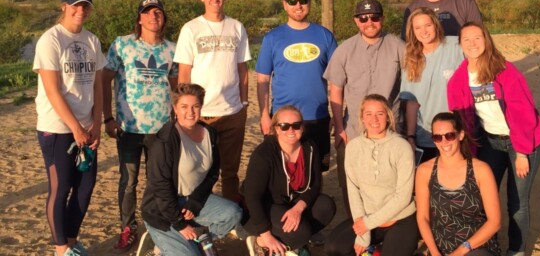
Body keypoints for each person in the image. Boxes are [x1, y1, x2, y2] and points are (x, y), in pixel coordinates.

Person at [447, 22, 540, 256]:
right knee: (485, 199)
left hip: (522, 143)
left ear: (486, 40)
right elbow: (461, 120)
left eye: (478, 38)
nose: (473, 44)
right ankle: (487, 246)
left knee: (517, 204)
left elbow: (523, 113)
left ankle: (516, 250)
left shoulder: (505, 70)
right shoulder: (457, 80)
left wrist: (522, 152)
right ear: (460, 44)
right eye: (467, 40)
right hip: (491, 142)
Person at [34, 0, 106, 256]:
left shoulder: (92, 40)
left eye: (85, 5)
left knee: (86, 186)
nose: (80, 10)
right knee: (61, 186)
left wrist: (96, 124)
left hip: (87, 128)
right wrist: (75, 127)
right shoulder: (51, 40)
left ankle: (73, 241)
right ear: (63, 6)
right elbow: (52, 90)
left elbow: (98, 85)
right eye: (75, 5)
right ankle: (61, 248)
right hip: (57, 127)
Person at [103, 0, 178, 252]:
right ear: (139, 19)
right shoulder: (122, 45)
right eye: (147, 13)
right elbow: (105, 80)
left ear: (163, 18)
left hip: (162, 129)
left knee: (159, 180)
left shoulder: (172, 49)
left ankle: (159, 228)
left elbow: (177, 87)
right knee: (129, 180)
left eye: (158, 12)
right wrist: (107, 117)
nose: (153, 16)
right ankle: (128, 228)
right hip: (129, 127)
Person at [323, 0, 405, 216]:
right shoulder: (344, 50)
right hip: (353, 129)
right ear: (356, 21)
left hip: (390, 128)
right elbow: (336, 90)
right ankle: (357, 228)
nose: (370, 22)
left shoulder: (398, 46)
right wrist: (339, 126)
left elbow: (413, 84)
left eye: (375, 17)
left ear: (382, 19)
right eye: (363, 18)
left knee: (390, 182)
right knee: (351, 184)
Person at [174, 0, 251, 202]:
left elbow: (242, 69)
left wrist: (244, 103)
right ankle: (199, 215)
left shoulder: (236, 27)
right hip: (200, 114)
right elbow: (184, 73)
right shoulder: (191, 29)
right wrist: (184, 109)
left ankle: (230, 216)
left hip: (232, 111)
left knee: (230, 170)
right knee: (200, 170)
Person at [141, 83, 242, 255]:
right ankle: (171, 242)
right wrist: (180, 224)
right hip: (162, 210)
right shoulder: (164, 141)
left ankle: (194, 241)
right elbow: (160, 186)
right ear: (175, 109)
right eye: (184, 107)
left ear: (201, 107)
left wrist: (195, 202)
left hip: (192, 200)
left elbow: (212, 174)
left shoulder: (209, 133)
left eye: (195, 106)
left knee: (233, 213)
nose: (190, 112)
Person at [256, 0, 337, 171]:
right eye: (292, 1)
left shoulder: (325, 36)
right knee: (283, 170)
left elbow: (337, 80)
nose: (298, 5)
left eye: (303, 0)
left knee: (316, 171)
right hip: (283, 118)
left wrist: (336, 114)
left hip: (317, 116)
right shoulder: (272, 38)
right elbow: (262, 80)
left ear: (309, 2)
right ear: (284, 4)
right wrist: (264, 116)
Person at [325, 94, 419, 256]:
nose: (374, 119)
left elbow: (403, 196)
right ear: (362, 117)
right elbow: (353, 191)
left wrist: (367, 224)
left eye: (380, 114)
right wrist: (364, 231)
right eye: (368, 114)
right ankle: (374, 251)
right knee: (334, 248)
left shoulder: (402, 147)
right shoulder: (353, 147)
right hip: (367, 217)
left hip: (399, 218)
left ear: (388, 117)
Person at [242, 105, 336, 256]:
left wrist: (298, 209)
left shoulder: (309, 147)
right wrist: (266, 235)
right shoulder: (264, 155)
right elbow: (253, 198)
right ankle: (259, 242)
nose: (291, 130)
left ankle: (291, 242)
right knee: (302, 232)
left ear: (302, 127)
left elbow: (316, 184)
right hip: (265, 207)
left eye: (296, 125)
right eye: (284, 126)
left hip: (292, 202)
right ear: (277, 129)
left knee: (326, 206)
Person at [415, 112, 501, 256]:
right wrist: (435, 253)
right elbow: (423, 218)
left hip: (475, 245)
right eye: (437, 137)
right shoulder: (425, 171)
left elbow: (495, 222)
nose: (444, 142)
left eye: (449, 135)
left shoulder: (481, 170)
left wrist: (461, 251)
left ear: (460, 135)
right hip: (441, 245)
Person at [400, 7, 464, 162]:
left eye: (428, 25)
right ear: (412, 31)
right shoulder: (411, 58)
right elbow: (411, 103)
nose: (424, 31)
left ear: (435, 24)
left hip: (454, 133)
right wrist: (411, 135)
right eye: (418, 27)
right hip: (426, 135)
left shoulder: (456, 46)